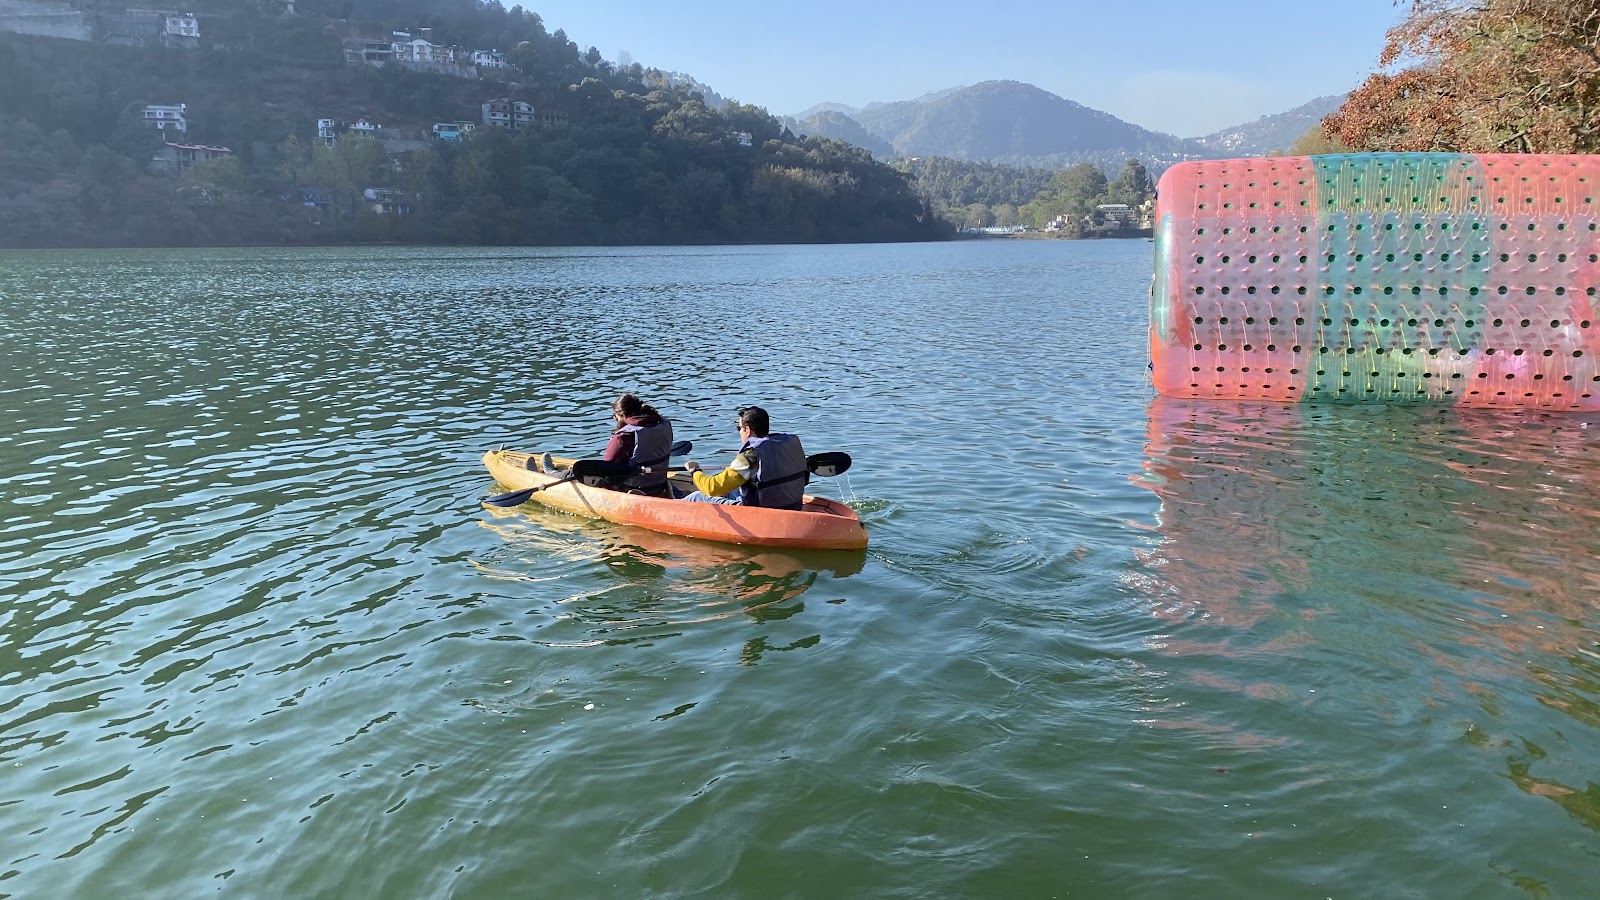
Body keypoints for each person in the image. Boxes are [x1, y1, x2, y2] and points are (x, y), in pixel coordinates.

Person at [681, 405, 807, 509]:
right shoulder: (785, 446)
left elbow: (712, 488)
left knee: (696, 496)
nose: (739, 432)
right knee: (731, 489)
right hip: (791, 505)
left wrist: (695, 471)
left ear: (747, 430)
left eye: (739, 428)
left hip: (760, 511)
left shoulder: (751, 455)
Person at [601, 393, 674, 497]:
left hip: (634, 488)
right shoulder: (664, 424)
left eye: (615, 416)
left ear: (622, 415)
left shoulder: (625, 435)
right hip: (659, 484)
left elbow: (606, 466)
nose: (615, 419)